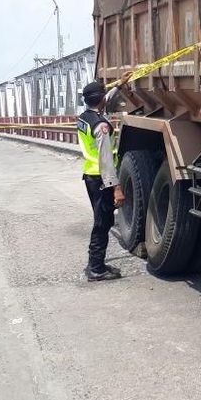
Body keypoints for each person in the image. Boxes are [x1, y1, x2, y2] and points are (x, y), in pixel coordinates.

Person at [78, 81, 125, 281]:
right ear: (102, 99)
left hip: (91, 175)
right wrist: (117, 188)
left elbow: (103, 100)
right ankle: (96, 268)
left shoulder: (85, 118)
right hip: (101, 178)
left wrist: (120, 85)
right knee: (103, 222)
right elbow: (106, 160)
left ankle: (95, 264)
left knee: (101, 220)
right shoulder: (101, 125)